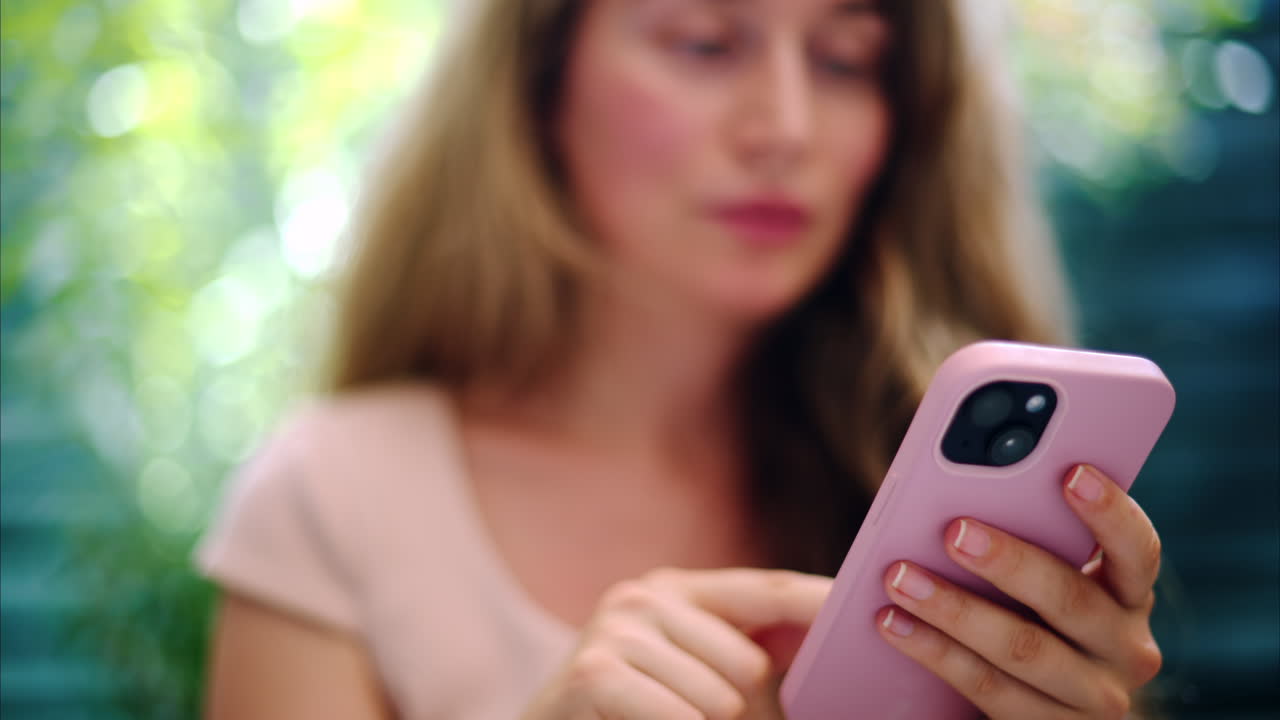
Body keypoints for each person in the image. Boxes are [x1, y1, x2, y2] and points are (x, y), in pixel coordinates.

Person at [197, 1, 1165, 718]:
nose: (783, 126)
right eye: (702, 43)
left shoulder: (962, 509)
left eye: (843, 59)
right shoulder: (332, 497)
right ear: (537, 85)